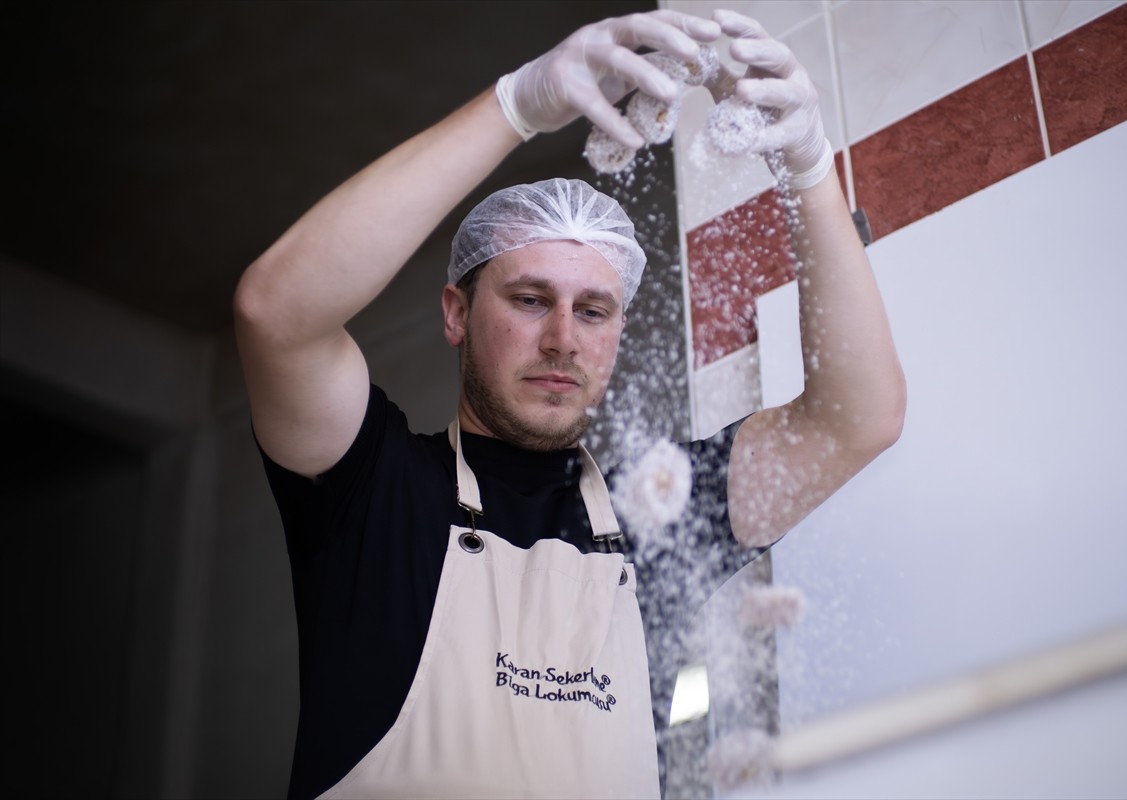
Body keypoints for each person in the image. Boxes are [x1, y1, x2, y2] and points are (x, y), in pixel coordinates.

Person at [234, 8, 905, 799]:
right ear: (456, 312)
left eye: (593, 312)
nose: (562, 339)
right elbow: (274, 315)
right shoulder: (373, 490)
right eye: (528, 299)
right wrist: (515, 107)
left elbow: (859, 418)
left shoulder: (658, 524)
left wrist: (807, 169)